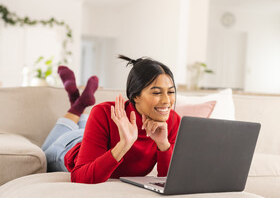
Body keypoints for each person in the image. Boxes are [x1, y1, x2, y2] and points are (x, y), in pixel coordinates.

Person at [41, 55, 181, 184]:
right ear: (135, 96)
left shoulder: (173, 121)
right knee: (44, 153)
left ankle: (77, 102)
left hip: (91, 136)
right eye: (157, 92)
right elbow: (80, 177)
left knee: (84, 128)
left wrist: (163, 144)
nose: (166, 100)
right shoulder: (104, 112)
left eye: (171, 92)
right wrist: (124, 144)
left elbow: (168, 180)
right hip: (69, 146)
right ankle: (77, 106)